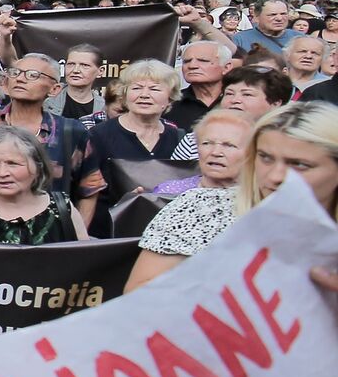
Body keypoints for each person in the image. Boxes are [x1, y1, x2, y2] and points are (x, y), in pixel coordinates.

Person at [0, 52, 102, 224]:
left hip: (50, 235)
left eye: (32, 75)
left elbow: (89, 189)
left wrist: (76, 237)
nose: (20, 79)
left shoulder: (71, 131)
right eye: (15, 73)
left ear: (54, 89)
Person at [125, 109, 254, 290]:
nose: (215, 152)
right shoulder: (185, 205)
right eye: (207, 143)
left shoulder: (266, 201)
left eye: (229, 145)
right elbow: (139, 288)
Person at [84, 59, 186, 208]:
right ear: (125, 95)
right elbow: (84, 190)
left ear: (170, 98)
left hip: (164, 226)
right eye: (137, 88)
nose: (144, 94)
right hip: (107, 226)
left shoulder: (178, 137)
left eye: (155, 89)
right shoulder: (97, 135)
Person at [164, 40, 229, 131]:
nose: (192, 66)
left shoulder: (240, 102)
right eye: (186, 61)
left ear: (226, 67)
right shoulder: (168, 102)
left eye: (203, 61)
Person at [232, 0, 305, 55]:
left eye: (283, 14)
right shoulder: (239, 40)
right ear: (257, 17)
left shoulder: (300, 38)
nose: (279, 19)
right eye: (272, 15)